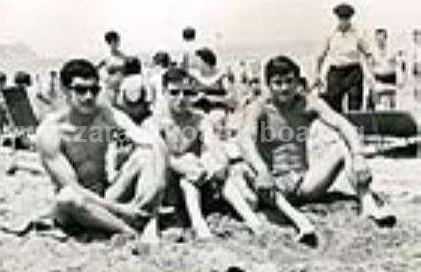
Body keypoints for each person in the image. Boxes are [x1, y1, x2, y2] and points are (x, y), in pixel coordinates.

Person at [239, 55, 395, 244]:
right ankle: (299, 220)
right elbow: (245, 139)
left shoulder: (306, 104)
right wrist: (263, 171)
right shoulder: (260, 108)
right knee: (246, 169)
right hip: (272, 185)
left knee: (341, 148)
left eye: (289, 81)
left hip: (304, 184)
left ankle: (367, 203)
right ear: (268, 85)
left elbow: (343, 125)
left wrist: (358, 156)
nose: (284, 88)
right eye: (277, 83)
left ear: (298, 81)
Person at [36, 59, 166, 241]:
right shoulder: (51, 131)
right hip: (79, 207)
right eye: (81, 90)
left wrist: (155, 177)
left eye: (94, 90)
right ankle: (128, 230)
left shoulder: (104, 114)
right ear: (65, 90)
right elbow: (73, 187)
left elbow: (139, 138)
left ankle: (148, 218)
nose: (89, 96)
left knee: (146, 153)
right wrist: (122, 209)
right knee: (67, 197)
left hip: (108, 192)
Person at [147, 68, 262, 238]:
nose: (181, 98)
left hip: (196, 183)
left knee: (208, 162)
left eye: (186, 93)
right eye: (174, 92)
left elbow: (213, 144)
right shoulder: (155, 122)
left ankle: (252, 220)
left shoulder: (198, 118)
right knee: (186, 164)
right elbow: (160, 156)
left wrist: (217, 165)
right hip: (168, 189)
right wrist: (186, 166)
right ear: (164, 92)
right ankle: (198, 223)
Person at [315, 3, 376, 113]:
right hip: (336, 72)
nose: (344, 21)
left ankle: (355, 127)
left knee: (355, 105)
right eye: (341, 18)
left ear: (350, 18)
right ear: (338, 19)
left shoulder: (358, 34)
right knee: (333, 105)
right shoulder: (330, 34)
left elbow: (369, 54)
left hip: (353, 71)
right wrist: (318, 75)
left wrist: (370, 75)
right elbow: (320, 57)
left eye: (346, 18)